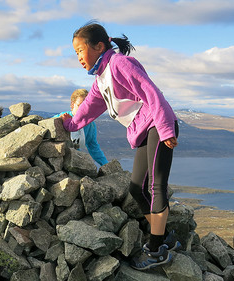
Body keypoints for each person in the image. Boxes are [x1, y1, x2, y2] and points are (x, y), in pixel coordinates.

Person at [62, 22, 180, 271]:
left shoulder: (119, 64)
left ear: (99, 46)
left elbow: (152, 93)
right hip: (145, 131)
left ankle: (156, 249)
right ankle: (165, 236)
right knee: (137, 189)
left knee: (156, 186)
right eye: (76, 53)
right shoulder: (101, 78)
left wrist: (166, 128)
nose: (78, 58)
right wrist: (70, 124)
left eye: (80, 51)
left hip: (158, 126)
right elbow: (88, 110)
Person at [54, 89, 108, 166]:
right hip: (56, 161)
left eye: (86, 107)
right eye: (80, 106)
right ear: (72, 105)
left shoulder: (90, 125)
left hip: (74, 161)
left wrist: (106, 165)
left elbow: (94, 148)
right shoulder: (60, 118)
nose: (84, 110)